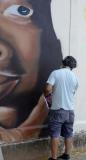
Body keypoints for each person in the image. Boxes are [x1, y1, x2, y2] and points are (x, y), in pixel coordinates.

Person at [0, 0, 62, 142]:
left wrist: (30, 128)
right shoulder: (67, 76)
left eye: (21, 11)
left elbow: (48, 92)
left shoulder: (55, 76)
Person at [44, 56, 78, 160]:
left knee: (55, 134)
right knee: (69, 133)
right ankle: (67, 155)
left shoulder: (56, 73)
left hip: (58, 110)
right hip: (70, 111)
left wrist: (48, 96)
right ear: (72, 66)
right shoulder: (75, 77)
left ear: (63, 63)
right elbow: (73, 92)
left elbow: (47, 89)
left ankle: (53, 158)